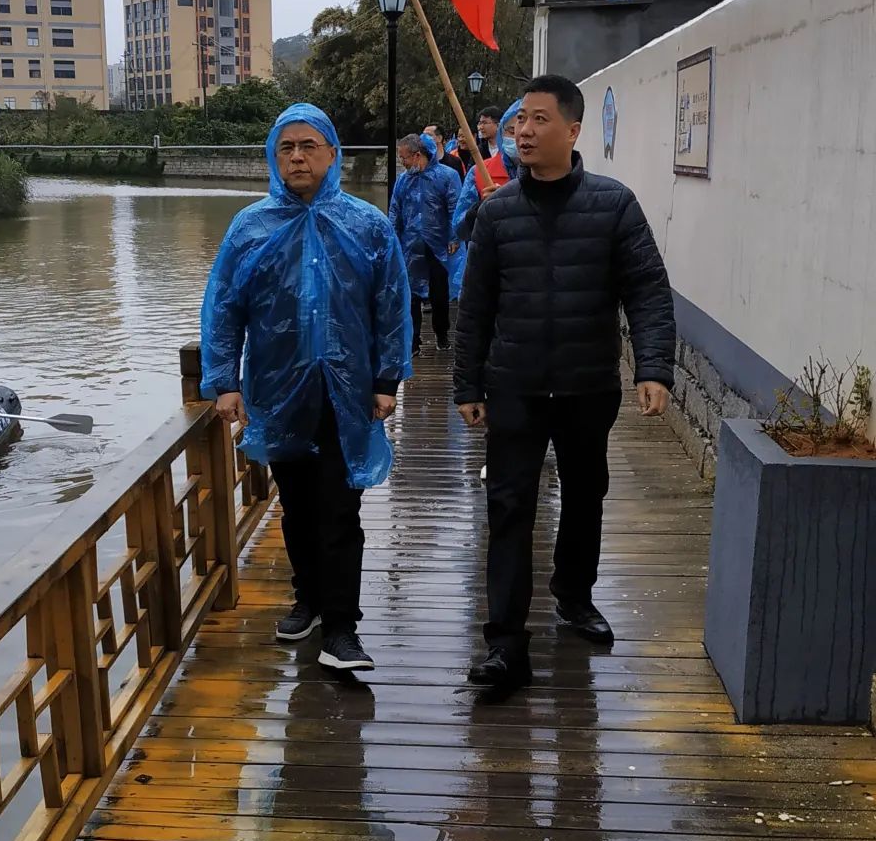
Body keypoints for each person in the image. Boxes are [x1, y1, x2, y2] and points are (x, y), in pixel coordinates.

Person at [453, 74, 675, 691]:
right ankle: (504, 644)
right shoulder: (495, 213)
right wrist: (468, 385)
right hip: (515, 389)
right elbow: (474, 308)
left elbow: (648, 291)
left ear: (573, 130)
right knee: (508, 506)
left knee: (584, 497)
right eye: (520, 118)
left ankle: (574, 596)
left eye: (539, 119)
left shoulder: (614, 204)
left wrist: (654, 367)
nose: (523, 130)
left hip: (586, 387)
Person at [201, 102, 411, 675]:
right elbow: (224, 308)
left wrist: (387, 378)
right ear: (274, 156)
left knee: (341, 509)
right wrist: (223, 382)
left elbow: (391, 305)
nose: (297, 156)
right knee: (295, 507)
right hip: (278, 390)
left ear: (332, 153)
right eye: (286, 147)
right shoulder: (250, 228)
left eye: (308, 145)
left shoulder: (366, 225)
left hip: (347, 394)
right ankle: (309, 601)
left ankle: (343, 627)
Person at [389, 133, 462, 355]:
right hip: (410, 245)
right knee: (410, 295)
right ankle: (413, 342)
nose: (402, 162)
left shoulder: (447, 176)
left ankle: (441, 335)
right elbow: (395, 210)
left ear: (417, 155)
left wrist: (454, 236)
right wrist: (392, 237)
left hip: (438, 246)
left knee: (439, 294)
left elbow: (455, 208)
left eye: (404, 158)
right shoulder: (403, 180)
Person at [451, 96, 522, 244]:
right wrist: (481, 208)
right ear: (502, 132)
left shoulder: (553, 177)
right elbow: (460, 227)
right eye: (511, 130)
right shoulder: (478, 171)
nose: (520, 137)